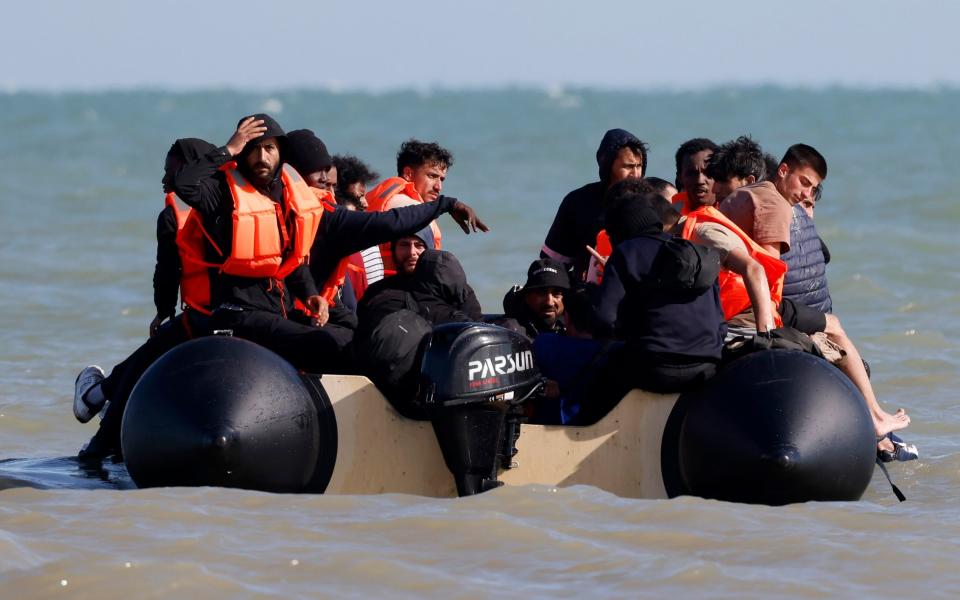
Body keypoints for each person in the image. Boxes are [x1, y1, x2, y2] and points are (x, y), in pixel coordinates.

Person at [171, 113, 487, 375]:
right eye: (254, 149)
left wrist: (311, 295)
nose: (262, 156)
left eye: (270, 149)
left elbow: (291, 262)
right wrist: (230, 148)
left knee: (351, 338)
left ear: (282, 158)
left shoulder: (289, 203)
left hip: (282, 310)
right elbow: (184, 184)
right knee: (338, 344)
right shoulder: (224, 197)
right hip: (237, 313)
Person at [714, 143, 910, 440]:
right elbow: (769, 274)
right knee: (834, 327)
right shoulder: (775, 206)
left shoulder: (749, 192)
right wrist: (772, 332)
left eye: (813, 188)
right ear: (783, 171)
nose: (807, 194)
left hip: (725, 297)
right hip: (748, 304)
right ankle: (875, 417)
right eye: (803, 182)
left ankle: (877, 415)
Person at [73, 138, 218, 460]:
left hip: (203, 320)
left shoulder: (174, 214)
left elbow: (166, 272)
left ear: (190, 170)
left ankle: (100, 430)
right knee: (145, 356)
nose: (166, 180)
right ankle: (96, 396)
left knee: (138, 368)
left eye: (172, 171)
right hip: (248, 312)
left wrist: (163, 312)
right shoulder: (240, 205)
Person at [576, 190, 726, 423]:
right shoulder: (693, 252)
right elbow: (720, 323)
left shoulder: (627, 252)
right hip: (707, 367)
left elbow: (603, 319)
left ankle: (578, 440)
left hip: (655, 368)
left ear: (618, 231)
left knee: (596, 379)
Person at [542, 128, 649, 282]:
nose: (635, 174)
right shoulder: (577, 202)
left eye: (638, 166)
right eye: (628, 166)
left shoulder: (651, 201)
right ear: (607, 165)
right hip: (587, 296)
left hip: (637, 293)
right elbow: (553, 265)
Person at [365, 139, 455, 276]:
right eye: (432, 176)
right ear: (408, 174)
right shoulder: (407, 206)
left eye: (441, 179)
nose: (438, 187)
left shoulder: (378, 199)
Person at [501, 259, 570, 339]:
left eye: (557, 293)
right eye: (541, 293)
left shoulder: (576, 330)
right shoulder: (511, 332)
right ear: (527, 297)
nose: (549, 302)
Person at [672, 138, 718, 215]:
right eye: (691, 174)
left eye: (708, 173)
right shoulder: (669, 220)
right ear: (680, 177)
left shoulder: (736, 213)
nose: (700, 181)